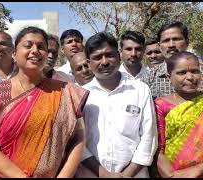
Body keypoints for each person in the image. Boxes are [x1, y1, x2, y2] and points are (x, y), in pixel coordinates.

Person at [0, 26, 89, 178]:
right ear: (14, 54)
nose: (35, 50)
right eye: (28, 45)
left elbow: (79, 137)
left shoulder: (68, 91)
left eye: (41, 47)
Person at [76, 32, 157, 178]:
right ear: (88, 62)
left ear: (119, 56)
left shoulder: (139, 89)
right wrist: (104, 174)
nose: (105, 61)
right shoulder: (80, 94)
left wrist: (127, 174)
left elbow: (149, 136)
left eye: (109, 55)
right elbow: (78, 140)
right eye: (97, 57)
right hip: (92, 174)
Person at [154, 51, 203, 178]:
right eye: (182, 73)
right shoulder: (160, 105)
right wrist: (171, 175)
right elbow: (157, 149)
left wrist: (198, 169)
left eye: (195, 71)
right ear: (168, 76)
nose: (190, 77)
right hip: (172, 172)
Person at [142, 21, 190, 99]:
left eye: (176, 39)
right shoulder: (148, 78)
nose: (171, 45)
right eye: (166, 40)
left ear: (187, 42)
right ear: (159, 46)